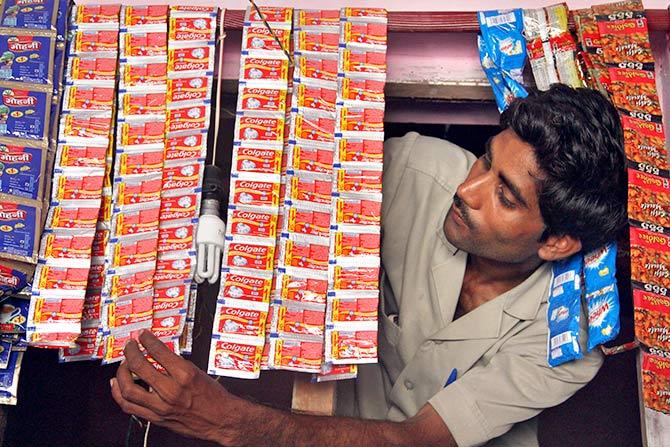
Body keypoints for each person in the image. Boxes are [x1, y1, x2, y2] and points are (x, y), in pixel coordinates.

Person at [110, 84, 627, 446]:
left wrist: (221, 419)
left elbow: (417, 440)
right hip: (327, 422)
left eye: (506, 197)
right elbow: (282, 190)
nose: (467, 190)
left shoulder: (570, 335)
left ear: (558, 242)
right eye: (485, 159)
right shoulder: (411, 172)